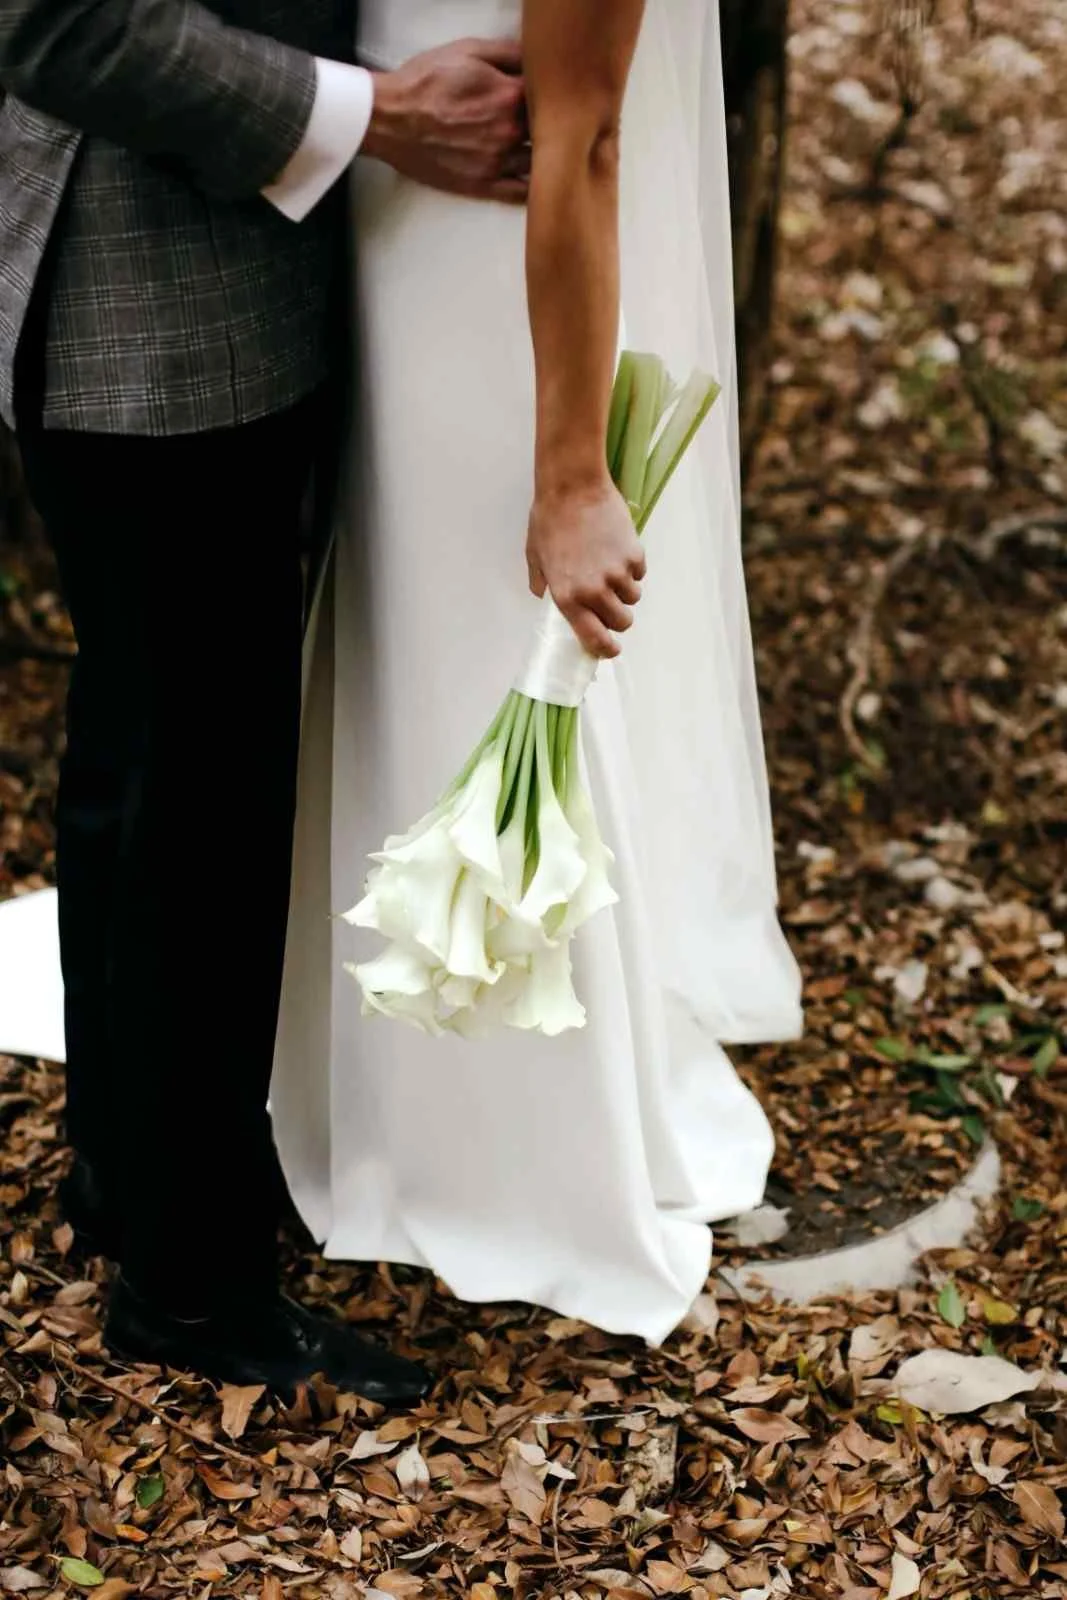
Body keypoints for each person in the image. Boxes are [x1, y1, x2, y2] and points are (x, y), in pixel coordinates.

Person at [0, 0, 530, 1399]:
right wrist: (380, 115)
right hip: (156, 306)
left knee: (141, 763)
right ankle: (191, 1291)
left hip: (174, 290)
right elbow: (64, 25)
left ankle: (135, 1184)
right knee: (206, 806)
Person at [269, 0, 803, 1346]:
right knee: (399, 642)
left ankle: (507, 1140)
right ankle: (371, 1073)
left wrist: (570, 474)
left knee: (466, 640)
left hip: (501, 287)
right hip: (394, 239)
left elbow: (587, 136)